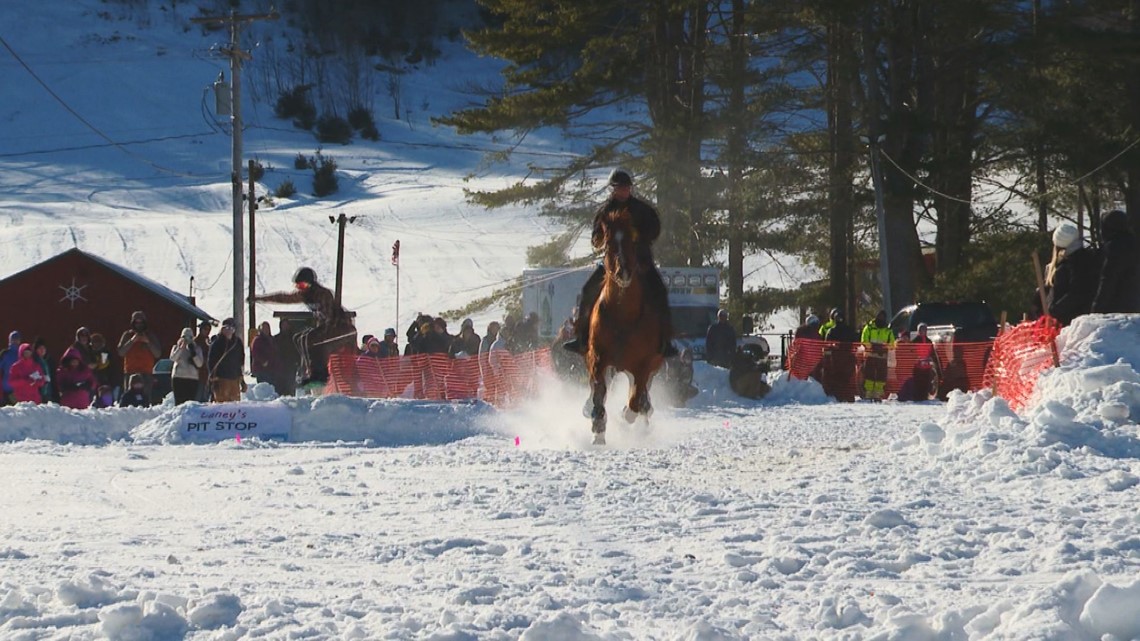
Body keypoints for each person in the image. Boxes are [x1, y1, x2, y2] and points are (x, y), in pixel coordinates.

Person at [562, 168, 677, 358]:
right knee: (587, 292)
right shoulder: (604, 212)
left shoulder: (642, 209)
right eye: (620, 188)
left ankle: (665, 341)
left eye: (626, 187)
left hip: (641, 263)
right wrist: (599, 240)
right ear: (613, 189)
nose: (624, 191)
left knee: (660, 291)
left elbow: (655, 229)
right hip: (611, 267)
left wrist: (639, 237)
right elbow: (595, 238)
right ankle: (582, 338)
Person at [251, 267, 357, 384]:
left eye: (303, 286)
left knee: (312, 341)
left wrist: (320, 334)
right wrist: (260, 299)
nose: (301, 289)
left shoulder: (323, 294)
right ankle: (307, 370)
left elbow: (330, 317)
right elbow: (284, 297)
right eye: (298, 286)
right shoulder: (304, 295)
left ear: (311, 284)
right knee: (298, 338)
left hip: (342, 328)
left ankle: (320, 374)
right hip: (328, 327)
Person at [1045, 222, 1101, 326]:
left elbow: (1077, 293)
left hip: (1071, 321)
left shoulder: (1074, 264)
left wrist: (1054, 310)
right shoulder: (1085, 259)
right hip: (1074, 319)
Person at [1091, 209, 1140, 313]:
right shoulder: (1133, 242)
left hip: (1119, 306)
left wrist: (1096, 308)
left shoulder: (1115, 248)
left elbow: (1108, 279)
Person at [117, 311, 161, 402]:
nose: (139, 324)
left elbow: (157, 354)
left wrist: (148, 342)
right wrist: (132, 340)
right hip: (130, 372)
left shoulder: (150, 335)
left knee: (145, 399)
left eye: (141, 322)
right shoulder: (127, 335)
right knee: (129, 399)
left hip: (146, 373)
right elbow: (121, 352)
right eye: (136, 322)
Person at [207, 318, 246, 403]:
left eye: (231, 328)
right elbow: (211, 360)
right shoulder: (217, 342)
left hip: (234, 378)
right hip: (220, 378)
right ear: (222, 329)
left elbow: (240, 361)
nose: (229, 331)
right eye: (226, 328)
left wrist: (241, 379)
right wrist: (213, 376)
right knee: (221, 405)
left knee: (235, 405)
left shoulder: (237, 342)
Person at [860, 310, 896, 401]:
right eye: (879, 317)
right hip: (870, 355)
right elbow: (864, 340)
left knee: (881, 376)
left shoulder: (888, 330)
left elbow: (892, 344)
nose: (881, 319)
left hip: (882, 357)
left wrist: (884, 348)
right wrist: (873, 347)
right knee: (869, 375)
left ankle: (878, 395)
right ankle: (868, 394)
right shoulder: (869, 328)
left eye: (883, 317)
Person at [170, 327, 205, 405]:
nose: (187, 339)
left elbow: (199, 364)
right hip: (178, 377)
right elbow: (173, 358)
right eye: (184, 337)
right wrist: (180, 348)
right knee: (179, 402)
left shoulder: (197, 349)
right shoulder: (176, 347)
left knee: (190, 402)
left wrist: (193, 353)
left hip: (192, 378)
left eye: (189, 337)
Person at [272, 318, 300, 397]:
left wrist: (297, 362)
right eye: (283, 325)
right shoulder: (276, 338)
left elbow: (297, 351)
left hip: (291, 366)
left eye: (286, 325)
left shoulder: (294, 338)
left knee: (290, 386)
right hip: (279, 366)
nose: (285, 327)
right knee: (280, 387)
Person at [249, 321, 279, 387]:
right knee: (264, 387)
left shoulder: (272, 339)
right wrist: (263, 361)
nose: (266, 330)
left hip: (272, 368)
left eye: (267, 328)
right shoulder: (257, 340)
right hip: (261, 368)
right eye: (264, 328)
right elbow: (255, 353)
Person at [193, 321, 213, 401]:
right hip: (198, 374)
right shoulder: (196, 342)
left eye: (209, 329)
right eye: (205, 329)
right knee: (198, 397)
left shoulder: (208, 342)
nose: (207, 331)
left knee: (206, 397)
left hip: (207, 374)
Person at [0, 330, 21, 405]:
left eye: (17, 339)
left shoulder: (21, 354)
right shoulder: (5, 354)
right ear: (10, 340)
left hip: (18, 388)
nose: (15, 341)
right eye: (13, 339)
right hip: (6, 387)